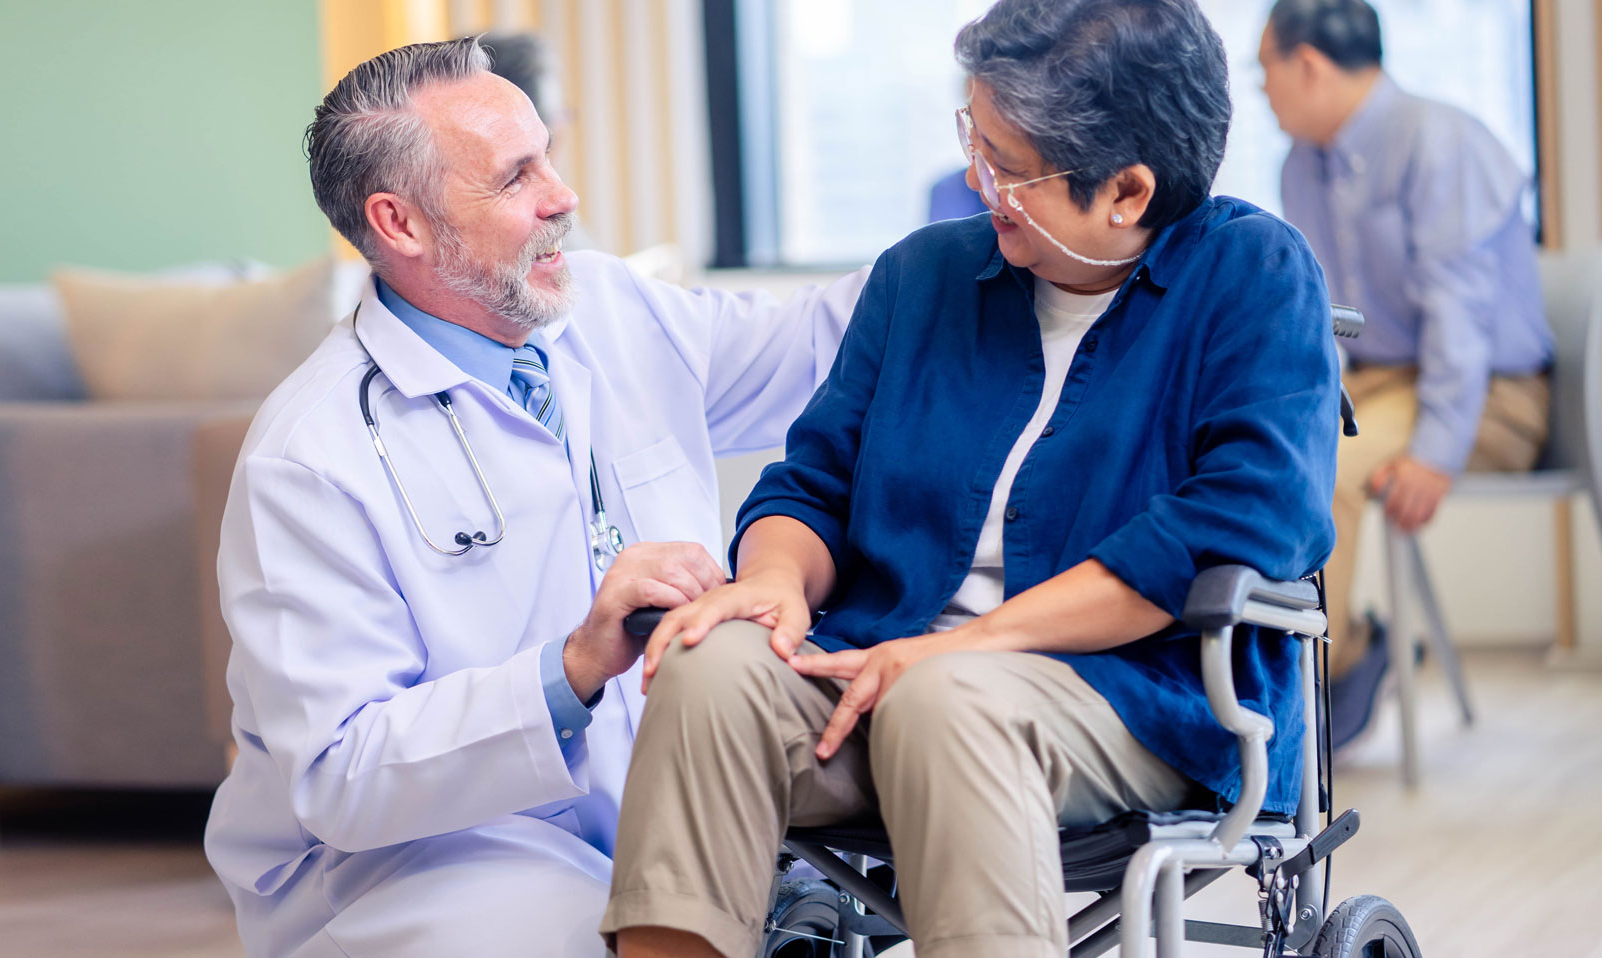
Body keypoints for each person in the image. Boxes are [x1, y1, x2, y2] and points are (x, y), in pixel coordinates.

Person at [598, 1, 1339, 955]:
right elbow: (811, 481)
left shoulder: (1252, 274)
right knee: (711, 668)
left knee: (946, 700)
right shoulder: (922, 278)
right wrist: (774, 583)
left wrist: (970, 648)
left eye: (1009, 165)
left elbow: (1244, 519)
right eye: (973, 139)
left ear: (1126, 192)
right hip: (877, 671)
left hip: (1130, 703)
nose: (976, 180)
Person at [201, 38, 868, 958]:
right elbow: (340, 774)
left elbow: (827, 343)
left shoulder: (612, 309)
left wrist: (1002, 204)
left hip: (644, 824)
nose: (565, 196)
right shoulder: (309, 457)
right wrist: (576, 663)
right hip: (418, 869)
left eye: (548, 157)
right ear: (401, 225)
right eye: (517, 178)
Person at [1260, 0, 1551, 747]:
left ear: (1309, 66)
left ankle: (1303, 712)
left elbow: (1462, 318)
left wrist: (1434, 451)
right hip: (1386, 382)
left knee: (1324, 474)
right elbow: (1322, 316)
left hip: (1490, 395)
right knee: (1256, 457)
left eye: (1265, 71)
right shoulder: (1302, 167)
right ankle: (1340, 656)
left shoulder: (1437, 140)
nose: (1263, 92)